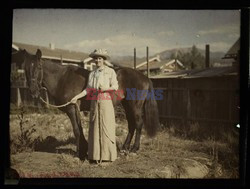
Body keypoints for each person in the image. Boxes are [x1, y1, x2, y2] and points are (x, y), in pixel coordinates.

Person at [71, 49, 119, 165]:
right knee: (95, 126)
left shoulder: (110, 71)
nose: (98, 60)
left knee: (106, 126)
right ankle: (95, 156)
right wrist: (76, 97)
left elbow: (115, 86)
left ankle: (107, 157)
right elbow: (88, 89)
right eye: (96, 58)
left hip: (105, 100)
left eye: (100, 58)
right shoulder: (92, 74)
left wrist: (105, 89)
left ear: (104, 60)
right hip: (94, 101)